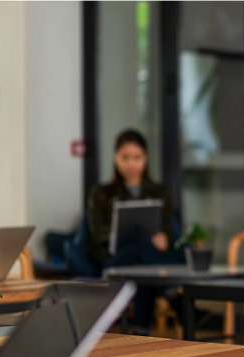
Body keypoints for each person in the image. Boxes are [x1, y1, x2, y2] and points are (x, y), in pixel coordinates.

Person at [86, 129, 184, 336]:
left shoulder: (160, 192)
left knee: (142, 262)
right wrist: (122, 236)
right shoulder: (101, 193)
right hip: (114, 261)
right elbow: (97, 237)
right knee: (143, 247)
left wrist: (162, 241)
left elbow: (167, 234)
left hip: (145, 262)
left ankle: (141, 331)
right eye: (125, 158)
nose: (131, 164)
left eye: (137, 158)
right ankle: (174, 296)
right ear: (115, 158)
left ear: (146, 158)